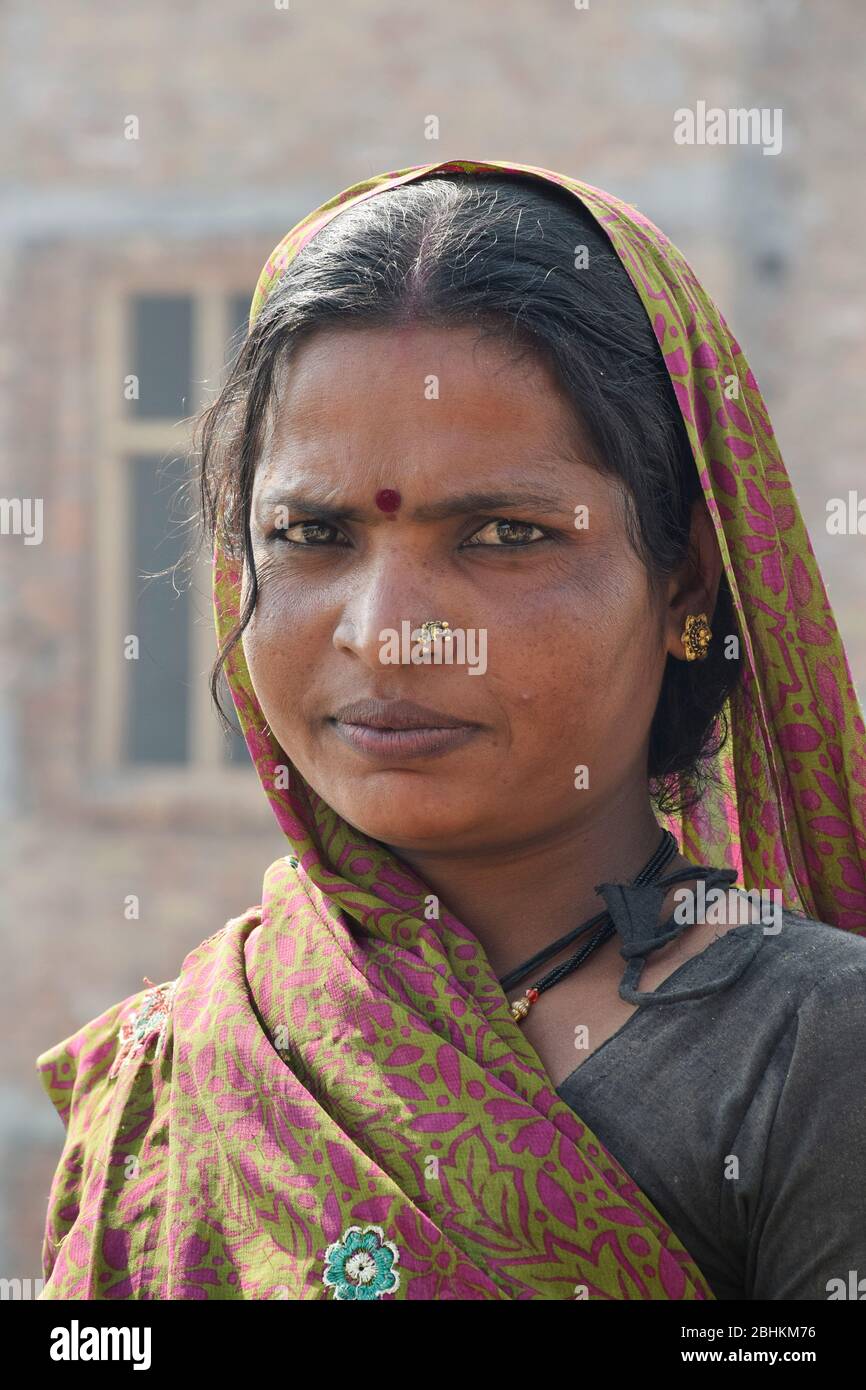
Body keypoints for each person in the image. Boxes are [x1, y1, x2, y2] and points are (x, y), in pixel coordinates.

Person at [36, 159, 866, 1301]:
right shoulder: (178, 1061)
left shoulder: (812, 1052)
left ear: (684, 582)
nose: (385, 636)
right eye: (312, 533)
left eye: (501, 535)